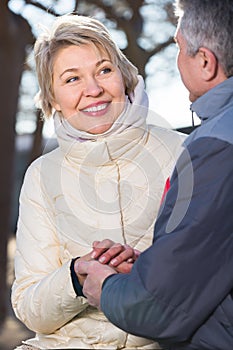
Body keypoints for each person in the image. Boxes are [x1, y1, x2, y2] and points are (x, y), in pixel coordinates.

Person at [11, 13, 184, 350]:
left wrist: (143, 270)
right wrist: (76, 276)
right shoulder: (42, 176)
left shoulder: (183, 152)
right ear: (53, 101)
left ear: (126, 77)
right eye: (72, 79)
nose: (93, 90)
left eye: (104, 70)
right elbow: (30, 309)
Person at [76, 0, 233, 349]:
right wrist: (148, 270)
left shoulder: (215, 145)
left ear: (205, 62)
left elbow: (158, 307)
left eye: (178, 48)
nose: (92, 89)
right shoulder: (42, 174)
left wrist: (107, 287)